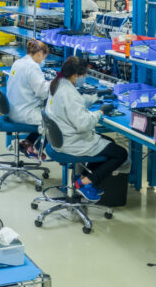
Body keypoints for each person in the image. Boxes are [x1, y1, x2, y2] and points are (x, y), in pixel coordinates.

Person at [45, 56, 128, 202]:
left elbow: (75, 103)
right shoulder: (68, 92)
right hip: (72, 143)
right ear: (75, 75)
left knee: (107, 141)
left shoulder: (58, 84)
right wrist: (100, 112)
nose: (84, 78)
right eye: (84, 75)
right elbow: (83, 124)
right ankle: (85, 183)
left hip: (59, 139)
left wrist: (97, 96)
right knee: (120, 154)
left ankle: (83, 177)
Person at [7, 40, 50, 158]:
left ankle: (27, 143)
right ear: (40, 53)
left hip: (14, 110)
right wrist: (53, 84)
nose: (42, 61)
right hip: (25, 113)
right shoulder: (33, 67)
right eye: (43, 58)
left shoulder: (18, 62)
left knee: (45, 115)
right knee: (55, 121)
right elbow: (43, 93)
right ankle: (36, 149)